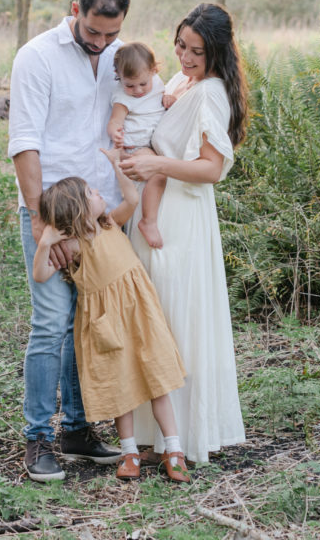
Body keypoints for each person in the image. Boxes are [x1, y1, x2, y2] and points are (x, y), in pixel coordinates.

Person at [8, 0, 130, 481]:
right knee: (52, 325)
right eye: (94, 32)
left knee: (87, 320)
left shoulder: (122, 56)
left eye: (111, 34)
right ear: (74, 11)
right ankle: (37, 438)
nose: (101, 44)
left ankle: (78, 431)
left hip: (99, 215)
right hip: (53, 214)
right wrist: (41, 224)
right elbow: (25, 142)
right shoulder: (36, 57)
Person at [120, 2, 248, 464]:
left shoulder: (211, 92)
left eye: (197, 51)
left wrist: (155, 164)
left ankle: (184, 435)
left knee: (175, 318)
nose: (186, 57)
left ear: (216, 53)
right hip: (152, 211)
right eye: (180, 46)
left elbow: (211, 168)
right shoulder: (178, 81)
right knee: (153, 319)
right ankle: (155, 437)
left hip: (181, 219)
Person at [33, 147, 190, 483]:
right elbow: (41, 276)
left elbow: (132, 198)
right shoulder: (74, 246)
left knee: (157, 377)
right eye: (91, 193)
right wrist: (45, 242)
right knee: (121, 386)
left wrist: (117, 166)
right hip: (106, 323)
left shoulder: (110, 224)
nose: (99, 192)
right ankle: (129, 451)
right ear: (78, 209)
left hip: (139, 312)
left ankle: (174, 449)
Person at [106, 42, 176, 249]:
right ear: (118, 77)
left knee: (161, 172)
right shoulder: (121, 96)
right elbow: (115, 121)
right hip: (135, 147)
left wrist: (168, 98)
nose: (137, 91)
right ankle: (149, 221)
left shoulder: (157, 83)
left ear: (154, 70)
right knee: (160, 173)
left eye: (143, 84)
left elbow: (158, 101)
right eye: (129, 85)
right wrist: (115, 133)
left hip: (148, 144)